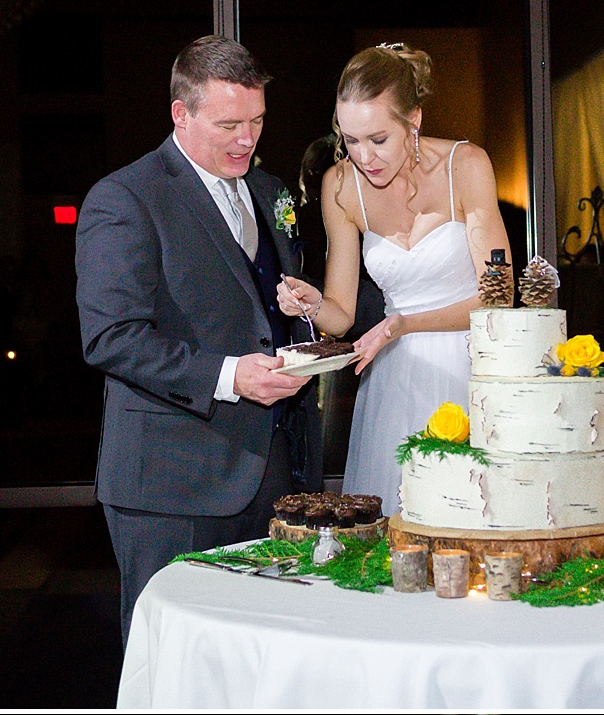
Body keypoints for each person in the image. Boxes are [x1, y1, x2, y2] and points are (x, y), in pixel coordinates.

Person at [76, 35, 325, 643]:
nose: (249, 139)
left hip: (275, 473)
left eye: (259, 121)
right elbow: (111, 337)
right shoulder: (125, 197)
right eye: (230, 124)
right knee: (177, 663)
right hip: (172, 486)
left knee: (263, 660)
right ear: (180, 115)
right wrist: (228, 375)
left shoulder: (271, 195)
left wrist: (303, 317)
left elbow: (263, 309)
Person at [283, 46, 507, 515]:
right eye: (351, 140)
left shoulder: (466, 166)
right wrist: (309, 302)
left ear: (415, 121)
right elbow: (341, 314)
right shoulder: (340, 186)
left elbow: (499, 293)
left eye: (378, 138)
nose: (365, 157)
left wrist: (406, 323)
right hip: (394, 380)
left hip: (472, 368)